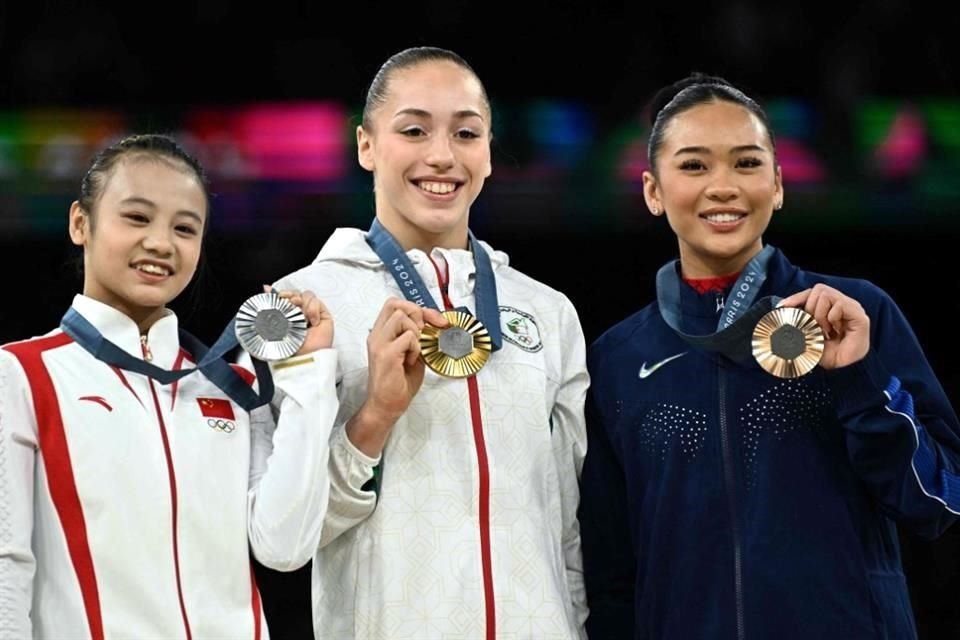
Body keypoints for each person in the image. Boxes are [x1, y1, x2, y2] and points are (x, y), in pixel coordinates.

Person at [579, 73, 960, 639]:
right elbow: (609, 570)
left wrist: (859, 380)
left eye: (747, 163)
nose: (724, 186)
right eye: (693, 165)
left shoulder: (856, 315)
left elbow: (936, 500)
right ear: (653, 191)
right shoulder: (616, 357)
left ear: (778, 185)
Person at [272, 47, 589, 639]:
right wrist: (375, 416)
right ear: (366, 145)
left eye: (466, 133)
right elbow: (284, 535)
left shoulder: (548, 314)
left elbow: (563, 525)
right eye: (414, 130)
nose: (441, 155)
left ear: (489, 151)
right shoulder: (305, 308)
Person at [0, 134, 339, 638]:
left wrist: (309, 378)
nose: (161, 243)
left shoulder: (232, 386)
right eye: (136, 217)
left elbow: (285, 547)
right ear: (80, 223)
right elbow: (8, 563)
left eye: (185, 228)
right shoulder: (22, 375)